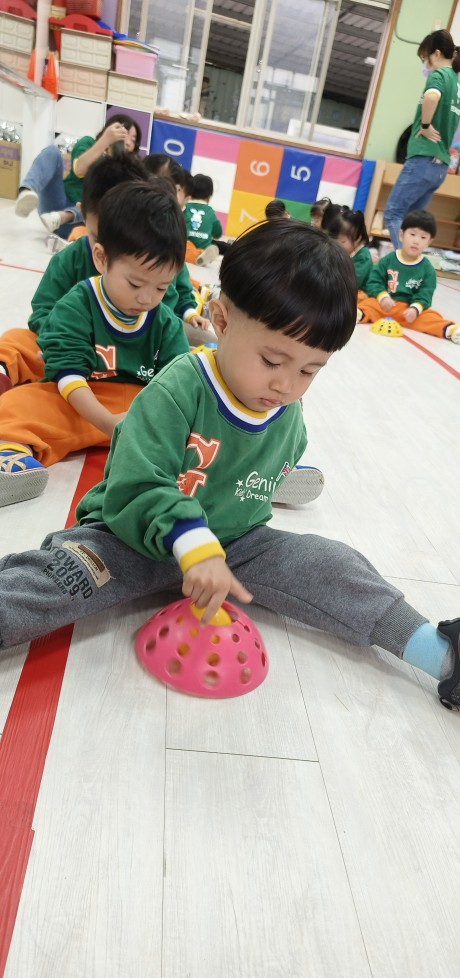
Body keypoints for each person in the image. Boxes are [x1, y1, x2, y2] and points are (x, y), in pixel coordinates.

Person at [0, 218, 459, 712]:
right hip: (129, 541)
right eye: (272, 360)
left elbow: (258, 488)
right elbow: (135, 485)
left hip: (237, 546)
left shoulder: (288, 411)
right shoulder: (178, 388)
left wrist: (225, 535)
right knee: (60, 581)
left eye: (310, 370)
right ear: (220, 320)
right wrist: (192, 544)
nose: (286, 384)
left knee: (332, 565)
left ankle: (443, 657)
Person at [0, 181, 190, 507]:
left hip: (141, 406)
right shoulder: (79, 302)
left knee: (200, 421)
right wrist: (108, 422)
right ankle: (12, 456)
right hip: (84, 398)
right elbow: (69, 376)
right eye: (135, 284)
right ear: (101, 258)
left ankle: (262, 469)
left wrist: (154, 417)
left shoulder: (166, 323)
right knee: (22, 404)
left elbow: (179, 383)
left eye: (161, 288)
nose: (147, 298)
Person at [0, 153, 151, 398]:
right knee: (16, 341)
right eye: (99, 237)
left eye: (121, 240)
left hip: (121, 370)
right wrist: (65, 341)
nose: (106, 251)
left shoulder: (151, 266)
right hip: (67, 354)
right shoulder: (70, 259)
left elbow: (164, 319)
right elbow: (42, 311)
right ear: (82, 213)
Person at [384, 29, 460, 250]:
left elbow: (431, 96)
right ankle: (410, 260)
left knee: (393, 214)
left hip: (424, 158)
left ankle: (405, 262)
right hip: (440, 166)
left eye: (425, 58)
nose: (425, 64)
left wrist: (425, 126)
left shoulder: (439, 75)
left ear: (436, 54)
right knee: (412, 222)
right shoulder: (456, 82)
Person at [15, 114, 142, 238]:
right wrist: (105, 141)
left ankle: (64, 216)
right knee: (52, 152)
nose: (128, 142)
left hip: (82, 223)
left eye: (133, 139)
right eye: (125, 134)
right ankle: (26, 191)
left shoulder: (129, 170)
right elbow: (80, 169)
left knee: (102, 202)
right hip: (55, 206)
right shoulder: (88, 143)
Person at [357, 209, 460, 342]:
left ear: (429, 242)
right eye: (412, 234)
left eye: (423, 237)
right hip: (384, 306)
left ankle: (450, 329)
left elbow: (425, 293)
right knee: (369, 304)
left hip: (409, 311)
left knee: (431, 316)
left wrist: (415, 308)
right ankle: (358, 314)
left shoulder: (428, 269)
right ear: (401, 235)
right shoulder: (388, 259)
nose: (416, 241)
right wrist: (383, 297)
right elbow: (374, 281)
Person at [328, 208, 373, 298]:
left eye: (342, 241)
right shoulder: (342, 250)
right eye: (333, 240)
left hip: (357, 293)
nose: (336, 245)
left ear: (358, 239)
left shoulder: (363, 257)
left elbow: (352, 283)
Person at [184, 173, 223, 266]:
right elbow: (218, 233)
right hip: (203, 248)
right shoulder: (210, 212)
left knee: (184, 246)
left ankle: (197, 256)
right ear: (209, 196)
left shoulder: (185, 207)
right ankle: (202, 256)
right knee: (214, 246)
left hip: (186, 246)